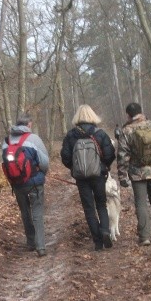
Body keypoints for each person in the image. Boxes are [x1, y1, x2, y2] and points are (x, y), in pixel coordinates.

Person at [60, 105, 117, 251]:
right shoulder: (100, 133)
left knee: (89, 208)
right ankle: (105, 231)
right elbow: (110, 153)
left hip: (81, 178)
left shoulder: (71, 135)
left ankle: (98, 242)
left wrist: (74, 168)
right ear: (93, 116)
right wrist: (104, 166)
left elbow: (65, 157)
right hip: (98, 175)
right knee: (101, 204)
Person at [117, 102, 151, 246]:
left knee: (141, 203)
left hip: (137, 173)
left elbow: (123, 155)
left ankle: (145, 236)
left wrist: (122, 176)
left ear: (128, 115)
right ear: (141, 112)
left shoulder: (126, 131)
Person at [2, 113, 50, 256]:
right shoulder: (34, 139)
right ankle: (40, 246)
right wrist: (42, 174)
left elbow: (3, 164)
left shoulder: (6, 141)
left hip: (17, 184)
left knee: (25, 212)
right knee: (37, 212)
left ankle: (30, 242)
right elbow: (45, 162)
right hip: (35, 182)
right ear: (28, 125)